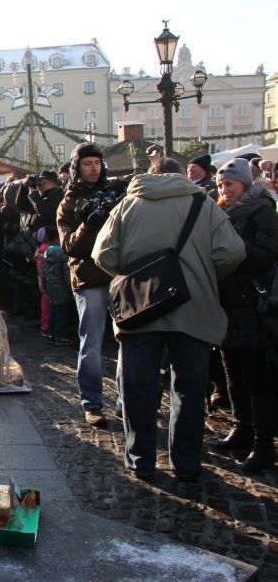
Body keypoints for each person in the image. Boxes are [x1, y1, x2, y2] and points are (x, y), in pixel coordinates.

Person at [92, 168, 245, 482]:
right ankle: (186, 463)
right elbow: (232, 251)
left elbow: (103, 253)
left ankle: (140, 460)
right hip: (193, 306)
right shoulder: (204, 205)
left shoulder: (129, 204)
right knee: (189, 389)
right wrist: (202, 275)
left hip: (140, 307)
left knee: (138, 387)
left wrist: (137, 273)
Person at [211, 158, 278, 473]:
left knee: (256, 378)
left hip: (253, 305)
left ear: (245, 185)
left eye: (230, 185)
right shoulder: (223, 212)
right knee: (233, 373)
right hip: (228, 304)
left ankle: (263, 444)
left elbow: (266, 257)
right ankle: (241, 429)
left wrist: (235, 245)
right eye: (222, 185)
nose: (225, 190)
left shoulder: (262, 210)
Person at [56, 142, 127, 428]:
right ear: (77, 168)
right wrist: (89, 223)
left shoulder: (116, 193)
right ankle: (92, 403)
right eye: (87, 163)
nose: (94, 168)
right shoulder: (68, 202)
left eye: (97, 162)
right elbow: (69, 246)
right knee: (92, 345)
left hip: (120, 276)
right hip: (89, 279)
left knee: (129, 341)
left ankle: (126, 399)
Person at [42, 226, 72, 346]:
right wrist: (70, 288)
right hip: (61, 287)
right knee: (61, 312)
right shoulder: (62, 253)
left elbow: (43, 272)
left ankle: (51, 334)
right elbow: (66, 273)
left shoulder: (46, 252)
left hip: (50, 286)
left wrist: (44, 285)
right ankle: (60, 336)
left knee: (53, 311)